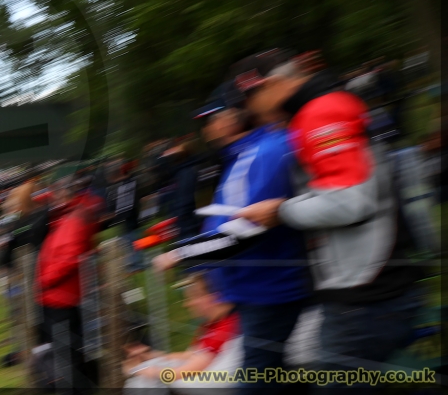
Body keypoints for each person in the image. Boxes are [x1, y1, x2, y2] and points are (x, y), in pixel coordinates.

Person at [234, 50, 425, 389]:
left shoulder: (321, 112)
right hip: (367, 290)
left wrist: (279, 212)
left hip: (367, 295)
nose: (249, 109)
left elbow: (350, 202)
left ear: (274, 84)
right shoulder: (319, 109)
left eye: (250, 97)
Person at [155, 76, 312, 395]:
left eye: (210, 120)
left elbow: (240, 233)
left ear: (231, 117)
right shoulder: (242, 156)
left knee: (256, 384)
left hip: (269, 290)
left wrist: (181, 253)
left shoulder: (263, 153)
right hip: (255, 290)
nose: (207, 129)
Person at [123, 271, 241, 393]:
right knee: (151, 369)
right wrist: (152, 356)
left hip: (219, 383)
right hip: (208, 378)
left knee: (145, 380)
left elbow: (193, 367)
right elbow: (190, 355)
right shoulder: (210, 324)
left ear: (212, 297)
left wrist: (141, 370)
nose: (187, 304)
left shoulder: (226, 325)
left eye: (193, 297)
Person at [35, 198, 99, 392]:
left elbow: (71, 258)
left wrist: (45, 280)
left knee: (67, 354)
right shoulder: (67, 224)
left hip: (59, 299)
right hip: (56, 298)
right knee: (64, 351)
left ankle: (78, 388)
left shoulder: (72, 224)